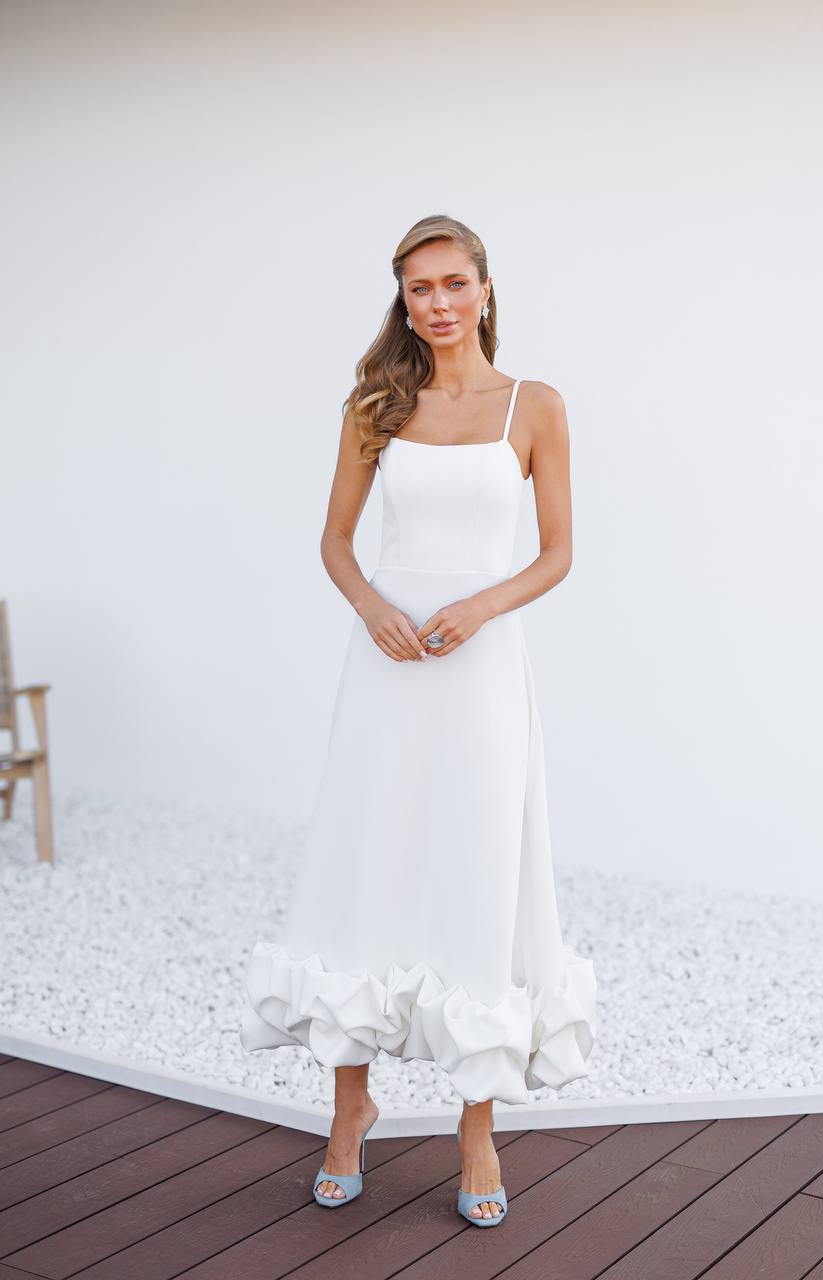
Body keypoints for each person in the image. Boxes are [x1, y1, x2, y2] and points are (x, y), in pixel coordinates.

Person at [240, 213, 597, 1226]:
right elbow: (336, 540)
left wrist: (481, 606)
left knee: (475, 869)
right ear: (403, 300)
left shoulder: (535, 405)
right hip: (387, 665)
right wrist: (373, 610)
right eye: (416, 288)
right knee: (367, 865)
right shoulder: (376, 402)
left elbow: (558, 550)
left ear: (484, 287)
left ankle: (475, 1127)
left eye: (451, 283)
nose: (435, 303)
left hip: (480, 673)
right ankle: (348, 1111)